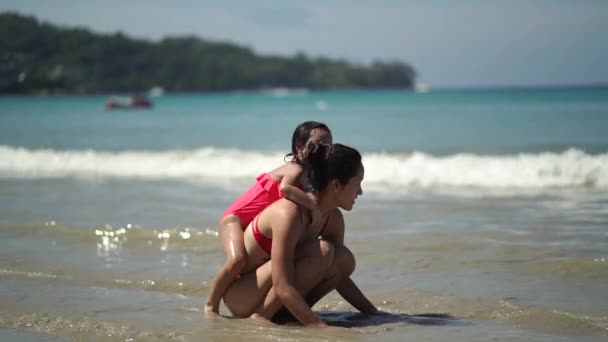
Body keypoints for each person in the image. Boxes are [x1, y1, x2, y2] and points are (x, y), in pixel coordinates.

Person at [221, 143, 378, 326]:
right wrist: (319, 326)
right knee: (323, 251)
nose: (360, 191)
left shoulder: (333, 218)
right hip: (243, 295)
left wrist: (373, 313)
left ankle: (289, 314)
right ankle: (262, 316)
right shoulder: (288, 213)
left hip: (277, 290)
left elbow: (339, 275)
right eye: (357, 183)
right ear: (336, 185)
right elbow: (282, 285)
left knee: (343, 258)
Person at [205, 121, 333, 315]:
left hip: (251, 223)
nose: (324, 149)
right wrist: (312, 207)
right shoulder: (295, 169)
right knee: (237, 260)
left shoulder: (310, 175)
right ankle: (211, 304)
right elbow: (285, 189)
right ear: (299, 147)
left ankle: (250, 295)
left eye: (328, 145)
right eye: (319, 144)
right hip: (234, 219)